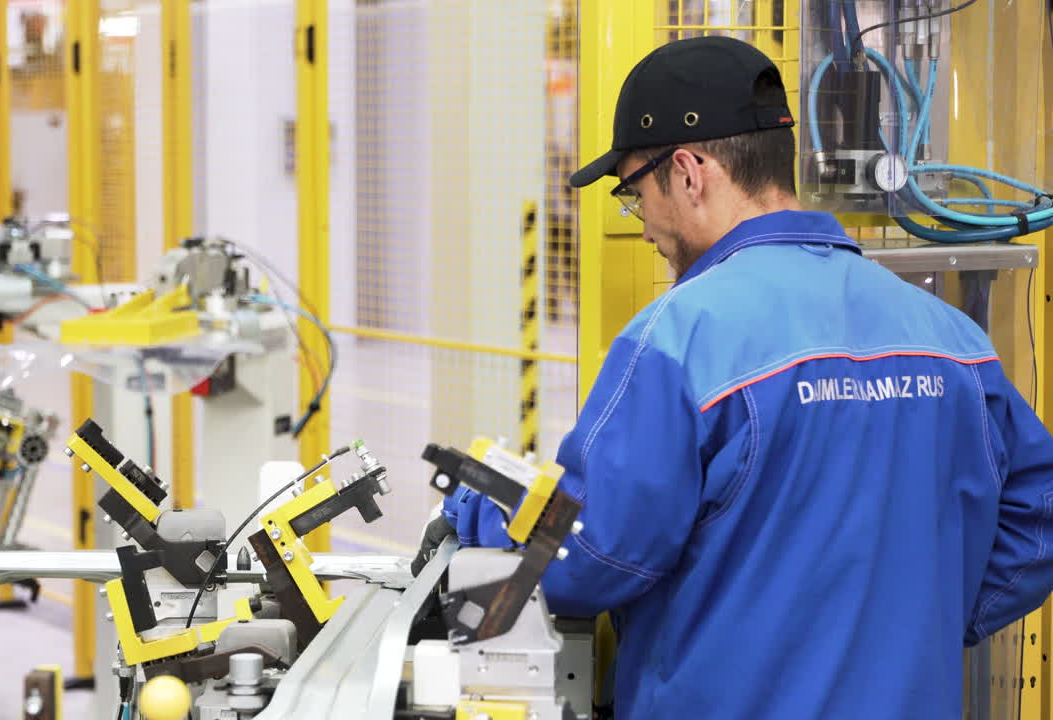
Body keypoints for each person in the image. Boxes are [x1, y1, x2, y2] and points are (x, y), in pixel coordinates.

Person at [415, 35, 1053, 719]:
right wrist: (915, 631)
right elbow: (1035, 520)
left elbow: (590, 557)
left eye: (634, 192)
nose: (644, 224)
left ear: (688, 170)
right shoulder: (952, 339)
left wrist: (479, 510)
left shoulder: (683, 339)